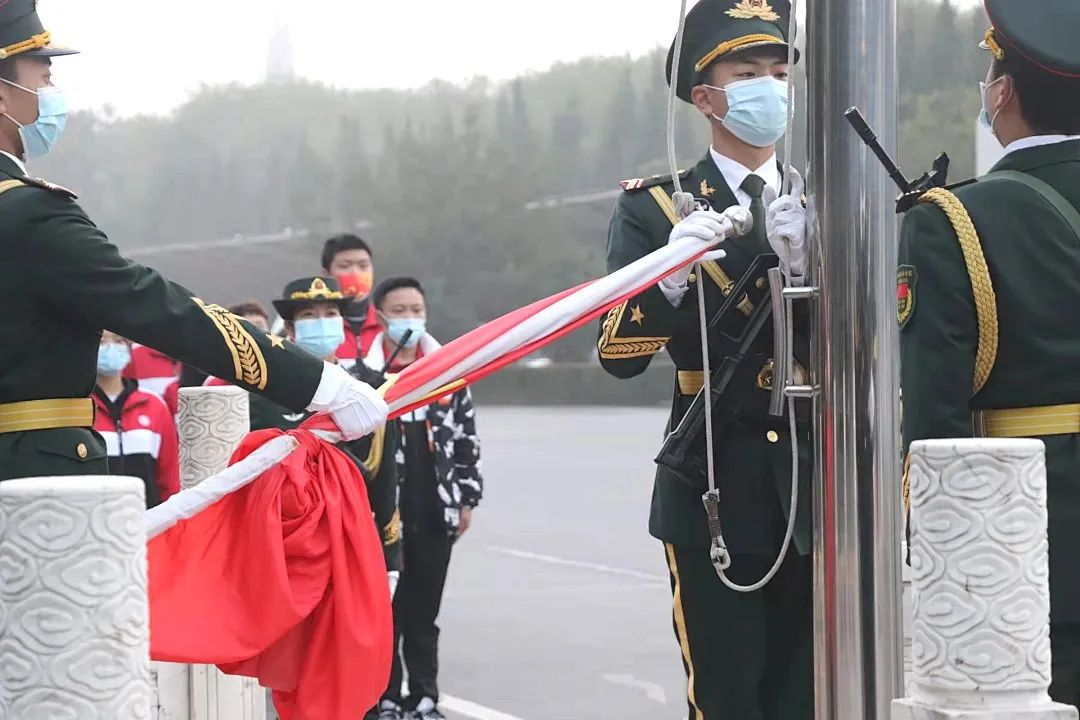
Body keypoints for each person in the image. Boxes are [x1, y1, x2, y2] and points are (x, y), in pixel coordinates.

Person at [0, 1, 387, 482]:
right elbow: (152, 304)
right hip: (29, 473)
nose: (52, 94)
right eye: (43, 79)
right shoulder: (27, 212)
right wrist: (321, 385)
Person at [597, 2, 812, 718]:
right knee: (726, 696)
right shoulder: (658, 209)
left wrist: (811, 270)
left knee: (808, 695)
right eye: (747, 74)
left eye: (779, 73)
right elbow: (617, 354)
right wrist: (667, 277)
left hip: (813, 480)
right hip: (714, 478)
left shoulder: (823, 199)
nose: (770, 88)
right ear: (706, 97)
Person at [899, 0, 1080, 706]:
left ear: (1002, 94)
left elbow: (934, 423)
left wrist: (937, 559)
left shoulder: (954, 219)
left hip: (1030, 548)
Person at [366, 277, 482, 720]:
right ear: (380, 317)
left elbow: (466, 439)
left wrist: (466, 499)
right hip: (383, 518)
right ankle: (386, 696)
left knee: (424, 612)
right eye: (400, 310)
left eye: (416, 309)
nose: (410, 318)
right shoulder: (365, 377)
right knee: (386, 614)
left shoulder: (447, 371)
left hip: (436, 511)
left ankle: (425, 696)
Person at [257, 276, 401, 579]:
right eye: (309, 315)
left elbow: (385, 481)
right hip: (284, 546)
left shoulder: (369, 391)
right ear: (291, 330)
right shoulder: (262, 396)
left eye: (330, 314)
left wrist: (390, 560)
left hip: (351, 539)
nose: (322, 323)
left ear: (342, 324)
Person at [92, 331, 179, 508]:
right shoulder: (76, 408)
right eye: (101, 341)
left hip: (149, 518)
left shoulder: (154, 405)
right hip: (95, 517)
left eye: (118, 341)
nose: (110, 347)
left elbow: (170, 478)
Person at [321, 233, 381, 369]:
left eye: (363, 266)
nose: (356, 273)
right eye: (345, 266)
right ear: (326, 274)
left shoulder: (388, 325)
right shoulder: (317, 328)